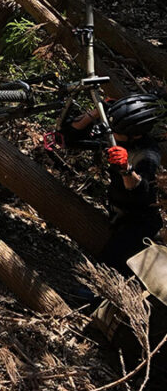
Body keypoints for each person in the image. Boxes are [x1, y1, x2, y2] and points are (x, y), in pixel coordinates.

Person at [62, 94, 164, 275]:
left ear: (134, 135)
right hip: (117, 214)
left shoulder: (147, 154)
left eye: (116, 132)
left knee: (108, 269)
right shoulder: (116, 134)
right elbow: (69, 139)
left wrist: (126, 169)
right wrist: (95, 112)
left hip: (138, 224)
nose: (111, 134)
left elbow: (142, 192)